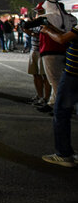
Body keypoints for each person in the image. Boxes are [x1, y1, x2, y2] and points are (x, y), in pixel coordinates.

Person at [40, 18, 78, 167]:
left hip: (73, 75)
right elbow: (68, 35)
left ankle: (64, 154)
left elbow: (62, 39)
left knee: (61, 112)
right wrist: (52, 28)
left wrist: (47, 31)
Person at [37, 0, 77, 113]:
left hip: (51, 50)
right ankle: (54, 103)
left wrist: (48, 30)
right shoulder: (71, 18)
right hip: (66, 52)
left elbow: (61, 38)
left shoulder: (48, 17)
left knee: (55, 80)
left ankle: (60, 106)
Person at [23, 4, 52, 107]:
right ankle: (40, 96)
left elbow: (43, 34)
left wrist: (31, 33)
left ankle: (46, 98)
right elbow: (29, 31)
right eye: (37, 11)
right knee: (35, 74)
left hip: (43, 51)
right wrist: (27, 30)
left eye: (40, 11)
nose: (37, 13)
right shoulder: (35, 22)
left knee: (45, 76)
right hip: (34, 50)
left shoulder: (46, 21)